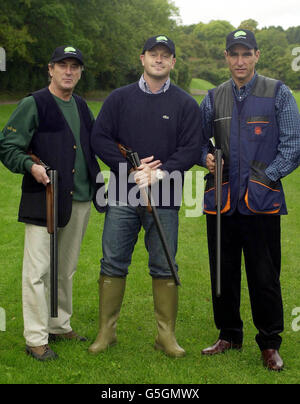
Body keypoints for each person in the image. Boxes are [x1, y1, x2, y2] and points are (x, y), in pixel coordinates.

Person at [89, 35, 202, 357]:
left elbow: (191, 148)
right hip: (124, 193)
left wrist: (159, 173)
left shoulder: (184, 103)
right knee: (113, 261)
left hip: (165, 196)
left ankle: (165, 337)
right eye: (154, 54)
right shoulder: (119, 98)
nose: (159, 59)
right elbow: (100, 138)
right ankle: (105, 333)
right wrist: (130, 169)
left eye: (166, 55)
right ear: (142, 58)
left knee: (164, 264)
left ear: (173, 63)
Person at [199, 29, 300, 371]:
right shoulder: (213, 97)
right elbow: (196, 142)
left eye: (246, 54)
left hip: (261, 201)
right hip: (222, 200)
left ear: (257, 55)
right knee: (222, 273)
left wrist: (266, 177)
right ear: (226, 57)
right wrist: (204, 157)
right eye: (234, 54)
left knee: (264, 275)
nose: (239, 61)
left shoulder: (278, 93)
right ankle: (228, 334)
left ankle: (269, 344)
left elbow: (293, 146)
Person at [0, 46, 105, 361]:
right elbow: (8, 145)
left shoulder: (83, 106)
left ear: (80, 72)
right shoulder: (34, 103)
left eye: (75, 66)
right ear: (50, 69)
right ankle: (35, 338)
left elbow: (95, 143)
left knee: (66, 268)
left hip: (81, 198)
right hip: (43, 199)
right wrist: (30, 166)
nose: (69, 71)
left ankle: (59, 324)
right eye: (63, 65)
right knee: (37, 271)